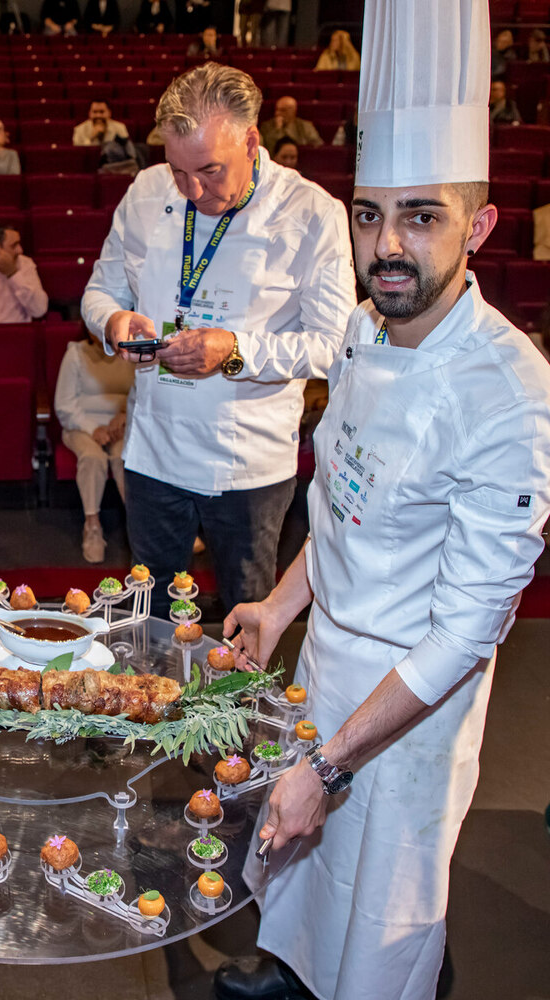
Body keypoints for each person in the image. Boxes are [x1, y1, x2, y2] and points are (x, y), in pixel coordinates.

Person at [213, 2, 550, 999]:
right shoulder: (363, 329)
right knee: (302, 873)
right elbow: (344, 498)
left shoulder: (509, 391)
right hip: (326, 658)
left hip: (410, 705)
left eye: (421, 215)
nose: (386, 245)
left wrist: (333, 759)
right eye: (368, 214)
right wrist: (278, 606)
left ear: (479, 225)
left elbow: (465, 632)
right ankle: (288, 968)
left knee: (385, 916)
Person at [81, 63, 355, 618]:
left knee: (245, 617)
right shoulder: (145, 192)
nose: (193, 190)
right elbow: (98, 291)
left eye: (208, 170)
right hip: (154, 452)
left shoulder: (312, 214)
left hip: (248, 466)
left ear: (251, 141)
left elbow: (333, 345)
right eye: (178, 171)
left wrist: (235, 350)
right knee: (147, 618)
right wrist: (113, 323)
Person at [54, 335, 134, 563]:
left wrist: (125, 416)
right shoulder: (76, 354)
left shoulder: (133, 353)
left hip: (121, 425)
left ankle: (142, 526)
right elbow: (65, 405)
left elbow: (142, 394)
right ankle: (92, 526)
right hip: (81, 425)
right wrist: (92, 428)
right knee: (92, 457)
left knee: (125, 457)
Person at [259, 95, 324, 149]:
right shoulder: (266, 126)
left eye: (283, 110)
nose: (277, 113)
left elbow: (318, 144)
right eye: (277, 109)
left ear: (293, 111)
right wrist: (277, 130)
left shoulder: (305, 126)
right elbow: (265, 147)